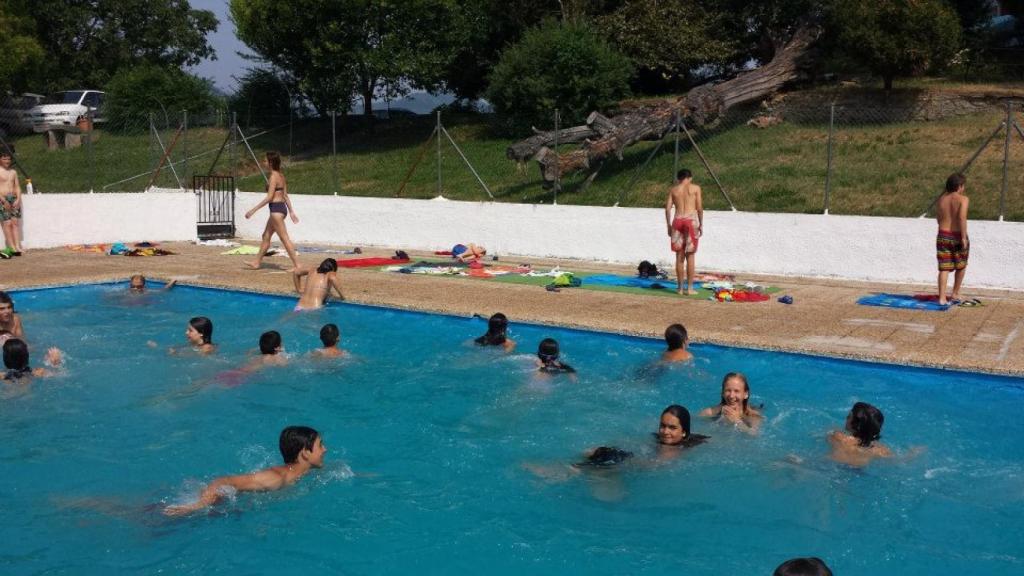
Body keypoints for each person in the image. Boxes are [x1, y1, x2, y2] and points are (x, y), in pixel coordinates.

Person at [163, 426, 326, 516]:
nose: (324, 449)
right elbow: (223, 481)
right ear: (305, 452)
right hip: (209, 509)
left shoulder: (303, 472)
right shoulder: (276, 478)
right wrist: (199, 505)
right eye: (320, 445)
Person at [245, 151, 300, 271]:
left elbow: (269, 197)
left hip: (275, 210)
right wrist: (290, 212)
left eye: (265, 160)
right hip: (281, 209)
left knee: (284, 238)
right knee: (266, 235)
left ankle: (298, 265)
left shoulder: (273, 177)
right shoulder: (281, 176)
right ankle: (257, 262)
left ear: (270, 163)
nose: (263, 162)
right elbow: (285, 195)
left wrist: (253, 210)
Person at [665, 169, 703, 295]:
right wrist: (701, 224)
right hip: (691, 221)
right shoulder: (695, 188)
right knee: (690, 255)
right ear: (690, 178)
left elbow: (667, 209)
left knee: (679, 256)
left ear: (678, 179)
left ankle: (680, 288)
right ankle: (690, 288)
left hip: (677, 221)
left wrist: (669, 226)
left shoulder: (673, 190)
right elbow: (699, 208)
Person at [936, 172, 970, 305]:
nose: (964, 188)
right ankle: (955, 293)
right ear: (959, 186)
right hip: (957, 235)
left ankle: (942, 298)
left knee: (944, 268)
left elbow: (939, 219)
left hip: (943, 234)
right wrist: (963, 237)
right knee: (961, 265)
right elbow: (962, 217)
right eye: (963, 186)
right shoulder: (963, 199)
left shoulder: (942, 199)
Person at [828, 401, 892, 467]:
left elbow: (829, 436)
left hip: (833, 465)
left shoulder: (838, 436)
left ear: (856, 424)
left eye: (849, 416)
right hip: (857, 470)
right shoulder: (880, 450)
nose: (846, 418)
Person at [699, 372, 763, 434]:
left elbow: (753, 434)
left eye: (736, 391)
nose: (731, 396)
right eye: (728, 390)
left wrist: (737, 421)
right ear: (722, 393)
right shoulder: (710, 413)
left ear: (745, 394)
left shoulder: (753, 416)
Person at [0, 148, 23, 257]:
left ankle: (17, 246)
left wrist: (18, 198)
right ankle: (11, 246)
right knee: (7, 223)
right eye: (4, 158)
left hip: (13, 199)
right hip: (2, 199)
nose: (7, 161)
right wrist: (3, 200)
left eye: (8, 159)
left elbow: (17, 186)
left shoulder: (13, 172)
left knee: (15, 223)